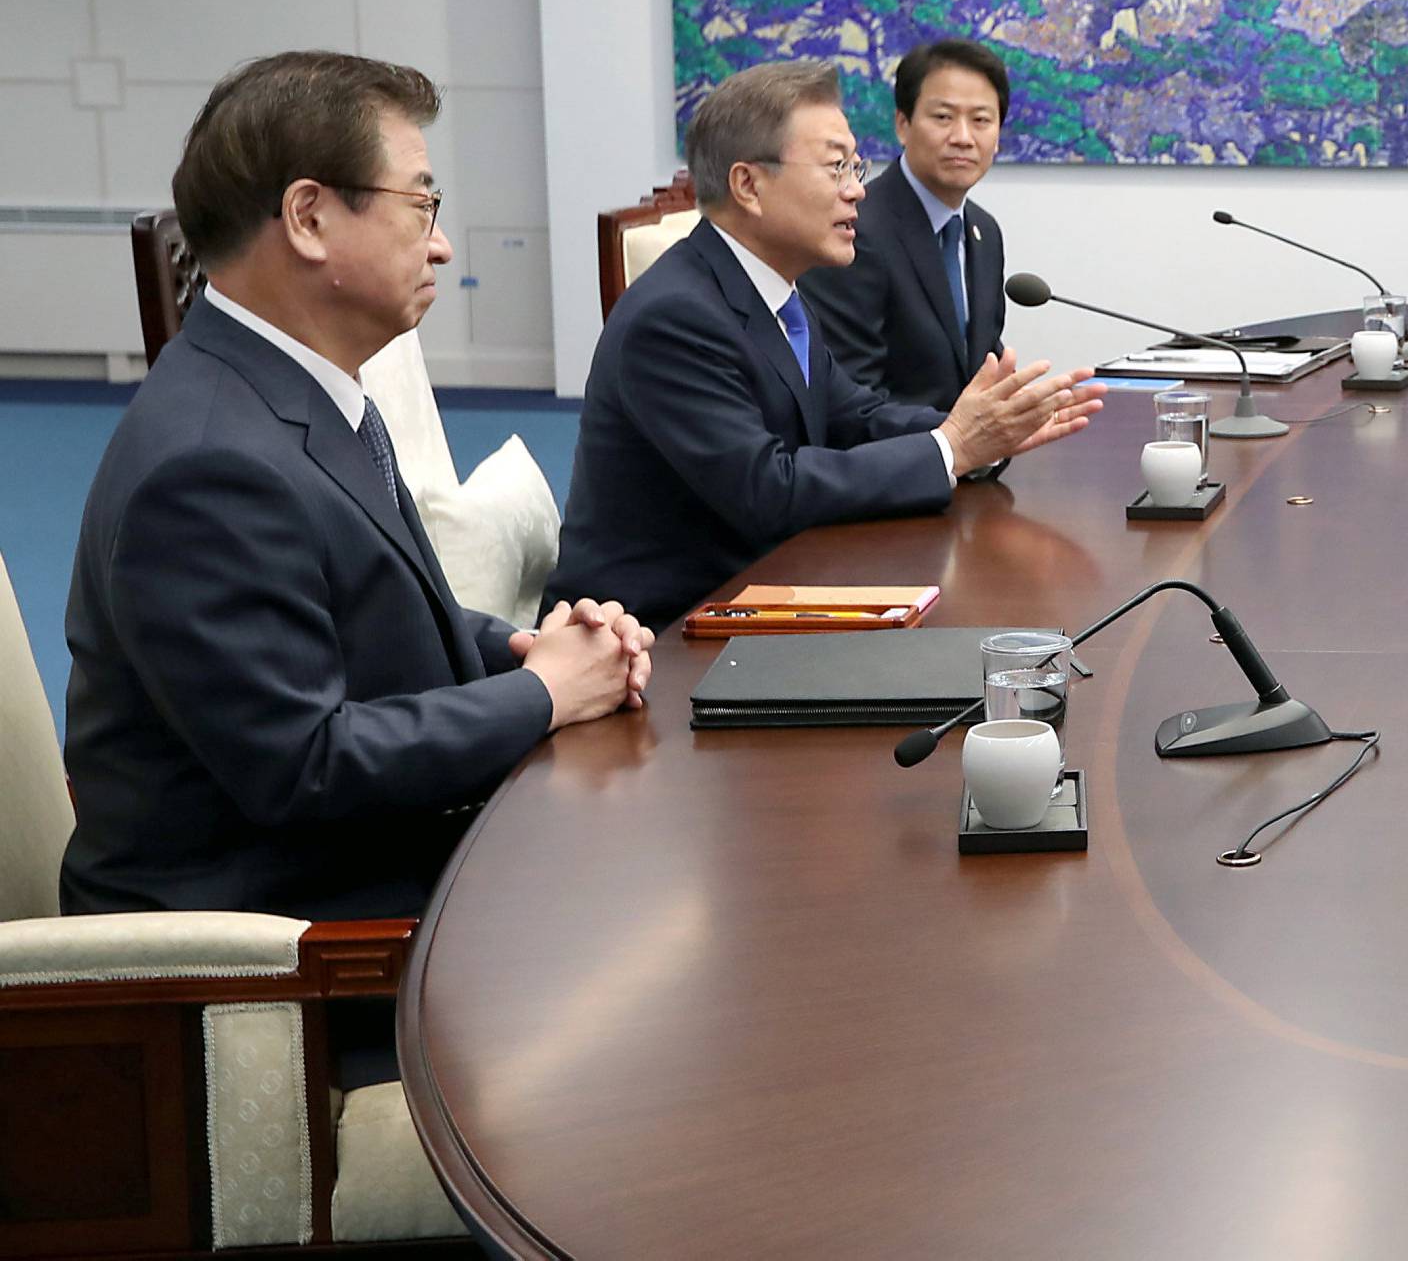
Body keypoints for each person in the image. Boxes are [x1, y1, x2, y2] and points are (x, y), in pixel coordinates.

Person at [62, 52, 652, 938]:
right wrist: (542, 694)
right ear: (308, 217)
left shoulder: (296, 391)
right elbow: (304, 765)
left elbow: (370, 622)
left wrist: (532, 648)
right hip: (279, 952)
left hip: (365, 878)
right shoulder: (207, 464)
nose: (442, 243)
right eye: (421, 205)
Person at [546, 59, 1103, 631]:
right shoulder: (674, 317)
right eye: (836, 168)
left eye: (855, 166)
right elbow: (768, 489)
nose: (857, 189)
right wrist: (950, 447)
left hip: (761, 592)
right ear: (748, 186)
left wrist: (983, 431)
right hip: (655, 637)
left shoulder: (773, 290)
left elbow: (853, 416)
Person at [801, 40, 1009, 410]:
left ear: (998, 136)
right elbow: (852, 398)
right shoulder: (853, 230)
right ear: (903, 125)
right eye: (943, 117)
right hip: (893, 462)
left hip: (969, 463)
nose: (962, 137)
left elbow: (980, 374)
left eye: (981, 120)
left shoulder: (985, 232)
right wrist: (956, 441)